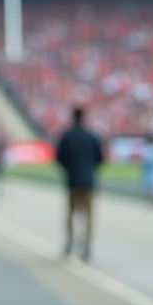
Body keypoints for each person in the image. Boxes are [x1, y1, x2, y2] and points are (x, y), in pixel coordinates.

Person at [56, 107, 104, 260]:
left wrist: (70, 170)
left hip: (73, 181)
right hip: (89, 181)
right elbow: (100, 158)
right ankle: (87, 246)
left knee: (71, 213)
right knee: (89, 215)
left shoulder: (67, 136)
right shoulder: (92, 136)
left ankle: (70, 242)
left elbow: (59, 158)